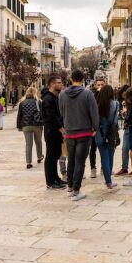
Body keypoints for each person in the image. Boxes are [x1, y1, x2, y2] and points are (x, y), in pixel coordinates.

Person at [59, 69, 100, 202]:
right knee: (80, 162)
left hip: (70, 132)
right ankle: (76, 190)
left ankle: (70, 188)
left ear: (71, 79)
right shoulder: (88, 94)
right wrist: (95, 127)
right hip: (84, 132)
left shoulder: (62, 95)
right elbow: (94, 113)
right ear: (83, 80)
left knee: (71, 160)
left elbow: (62, 112)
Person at [42, 75, 67, 189]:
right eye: (58, 82)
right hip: (51, 132)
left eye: (61, 82)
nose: (61, 84)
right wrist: (60, 128)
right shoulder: (48, 99)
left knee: (56, 155)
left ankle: (56, 178)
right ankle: (50, 182)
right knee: (50, 156)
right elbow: (51, 116)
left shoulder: (55, 97)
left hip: (56, 132)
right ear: (52, 84)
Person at [96, 84, 119, 189]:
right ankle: (108, 181)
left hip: (99, 135)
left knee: (103, 158)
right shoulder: (115, 104)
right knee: (110, 157)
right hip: (110, 135)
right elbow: (115, 122)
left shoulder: (97, 105)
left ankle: (108, 181)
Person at [17, 87, 44, 169]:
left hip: (26, 125)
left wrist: (19, 126)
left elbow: (19, 115)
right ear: (35, 93)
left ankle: (28, 162)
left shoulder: (22, 102)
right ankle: (39, 156)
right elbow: (42, 114)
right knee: (38, 142)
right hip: (37, 125)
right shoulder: (38, 102)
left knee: (28, 144)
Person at [115, 85, 132, 175]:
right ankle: (124, 168)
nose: (123, 97)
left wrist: (127, 111)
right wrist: (123, 113)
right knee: (125, 148)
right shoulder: (123, 103)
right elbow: (125, 117)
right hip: (127, 128)